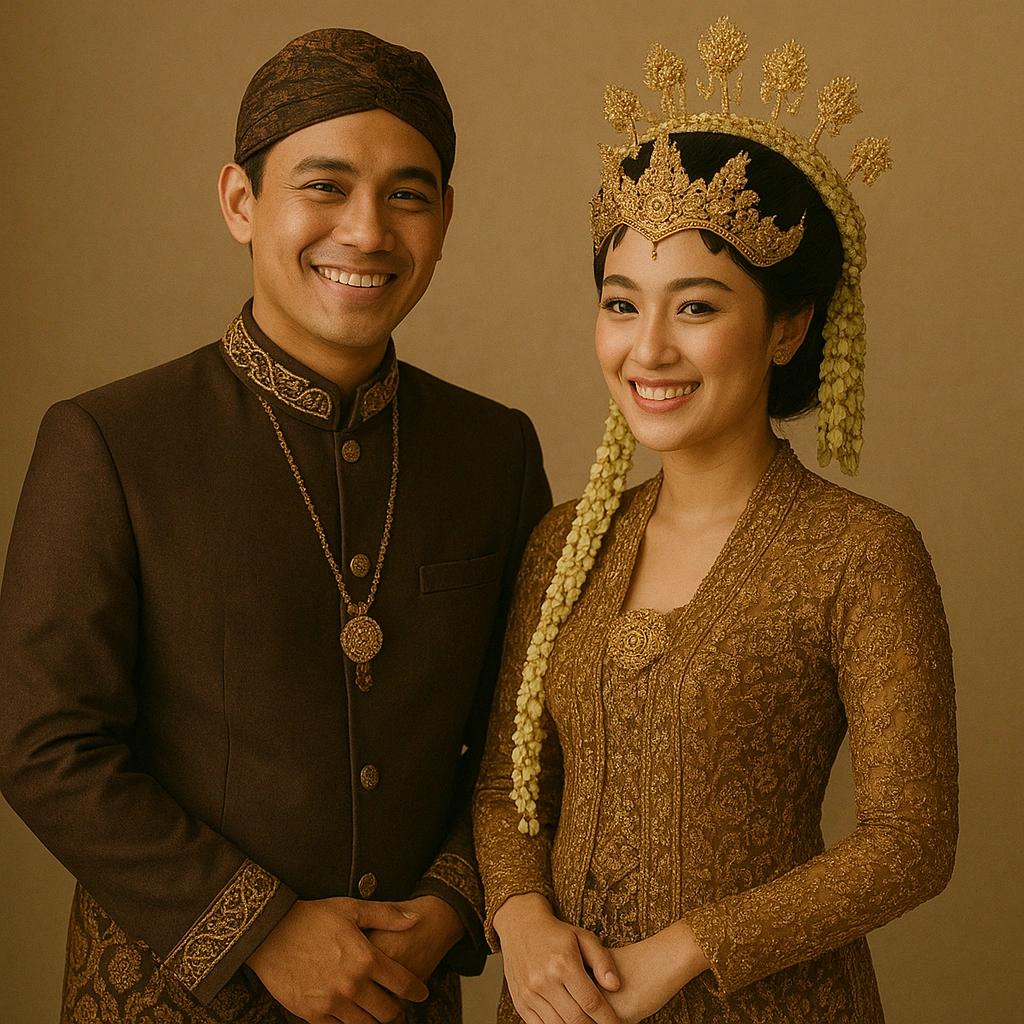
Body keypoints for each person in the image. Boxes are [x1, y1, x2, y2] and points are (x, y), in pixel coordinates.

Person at [0, 27, 551, 1024]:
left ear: (446, 217)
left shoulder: (494, 451)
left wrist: (454, 903)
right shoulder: (109, 441)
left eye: (408, 194)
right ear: (240, 202)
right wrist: (257, 928)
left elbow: (523, 732)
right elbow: (41, 738)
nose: (368, 231)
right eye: (325, 186)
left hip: (404, 997)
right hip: (168, 996)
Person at [473, 17, 957, 1024]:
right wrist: (519, 918)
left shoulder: (859, 553)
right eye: (620, 303)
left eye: (694, 307)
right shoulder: (567, 542)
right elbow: (506, 793)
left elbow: (910, 839)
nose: (647, 349)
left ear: (787, 326)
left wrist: (686, 951)